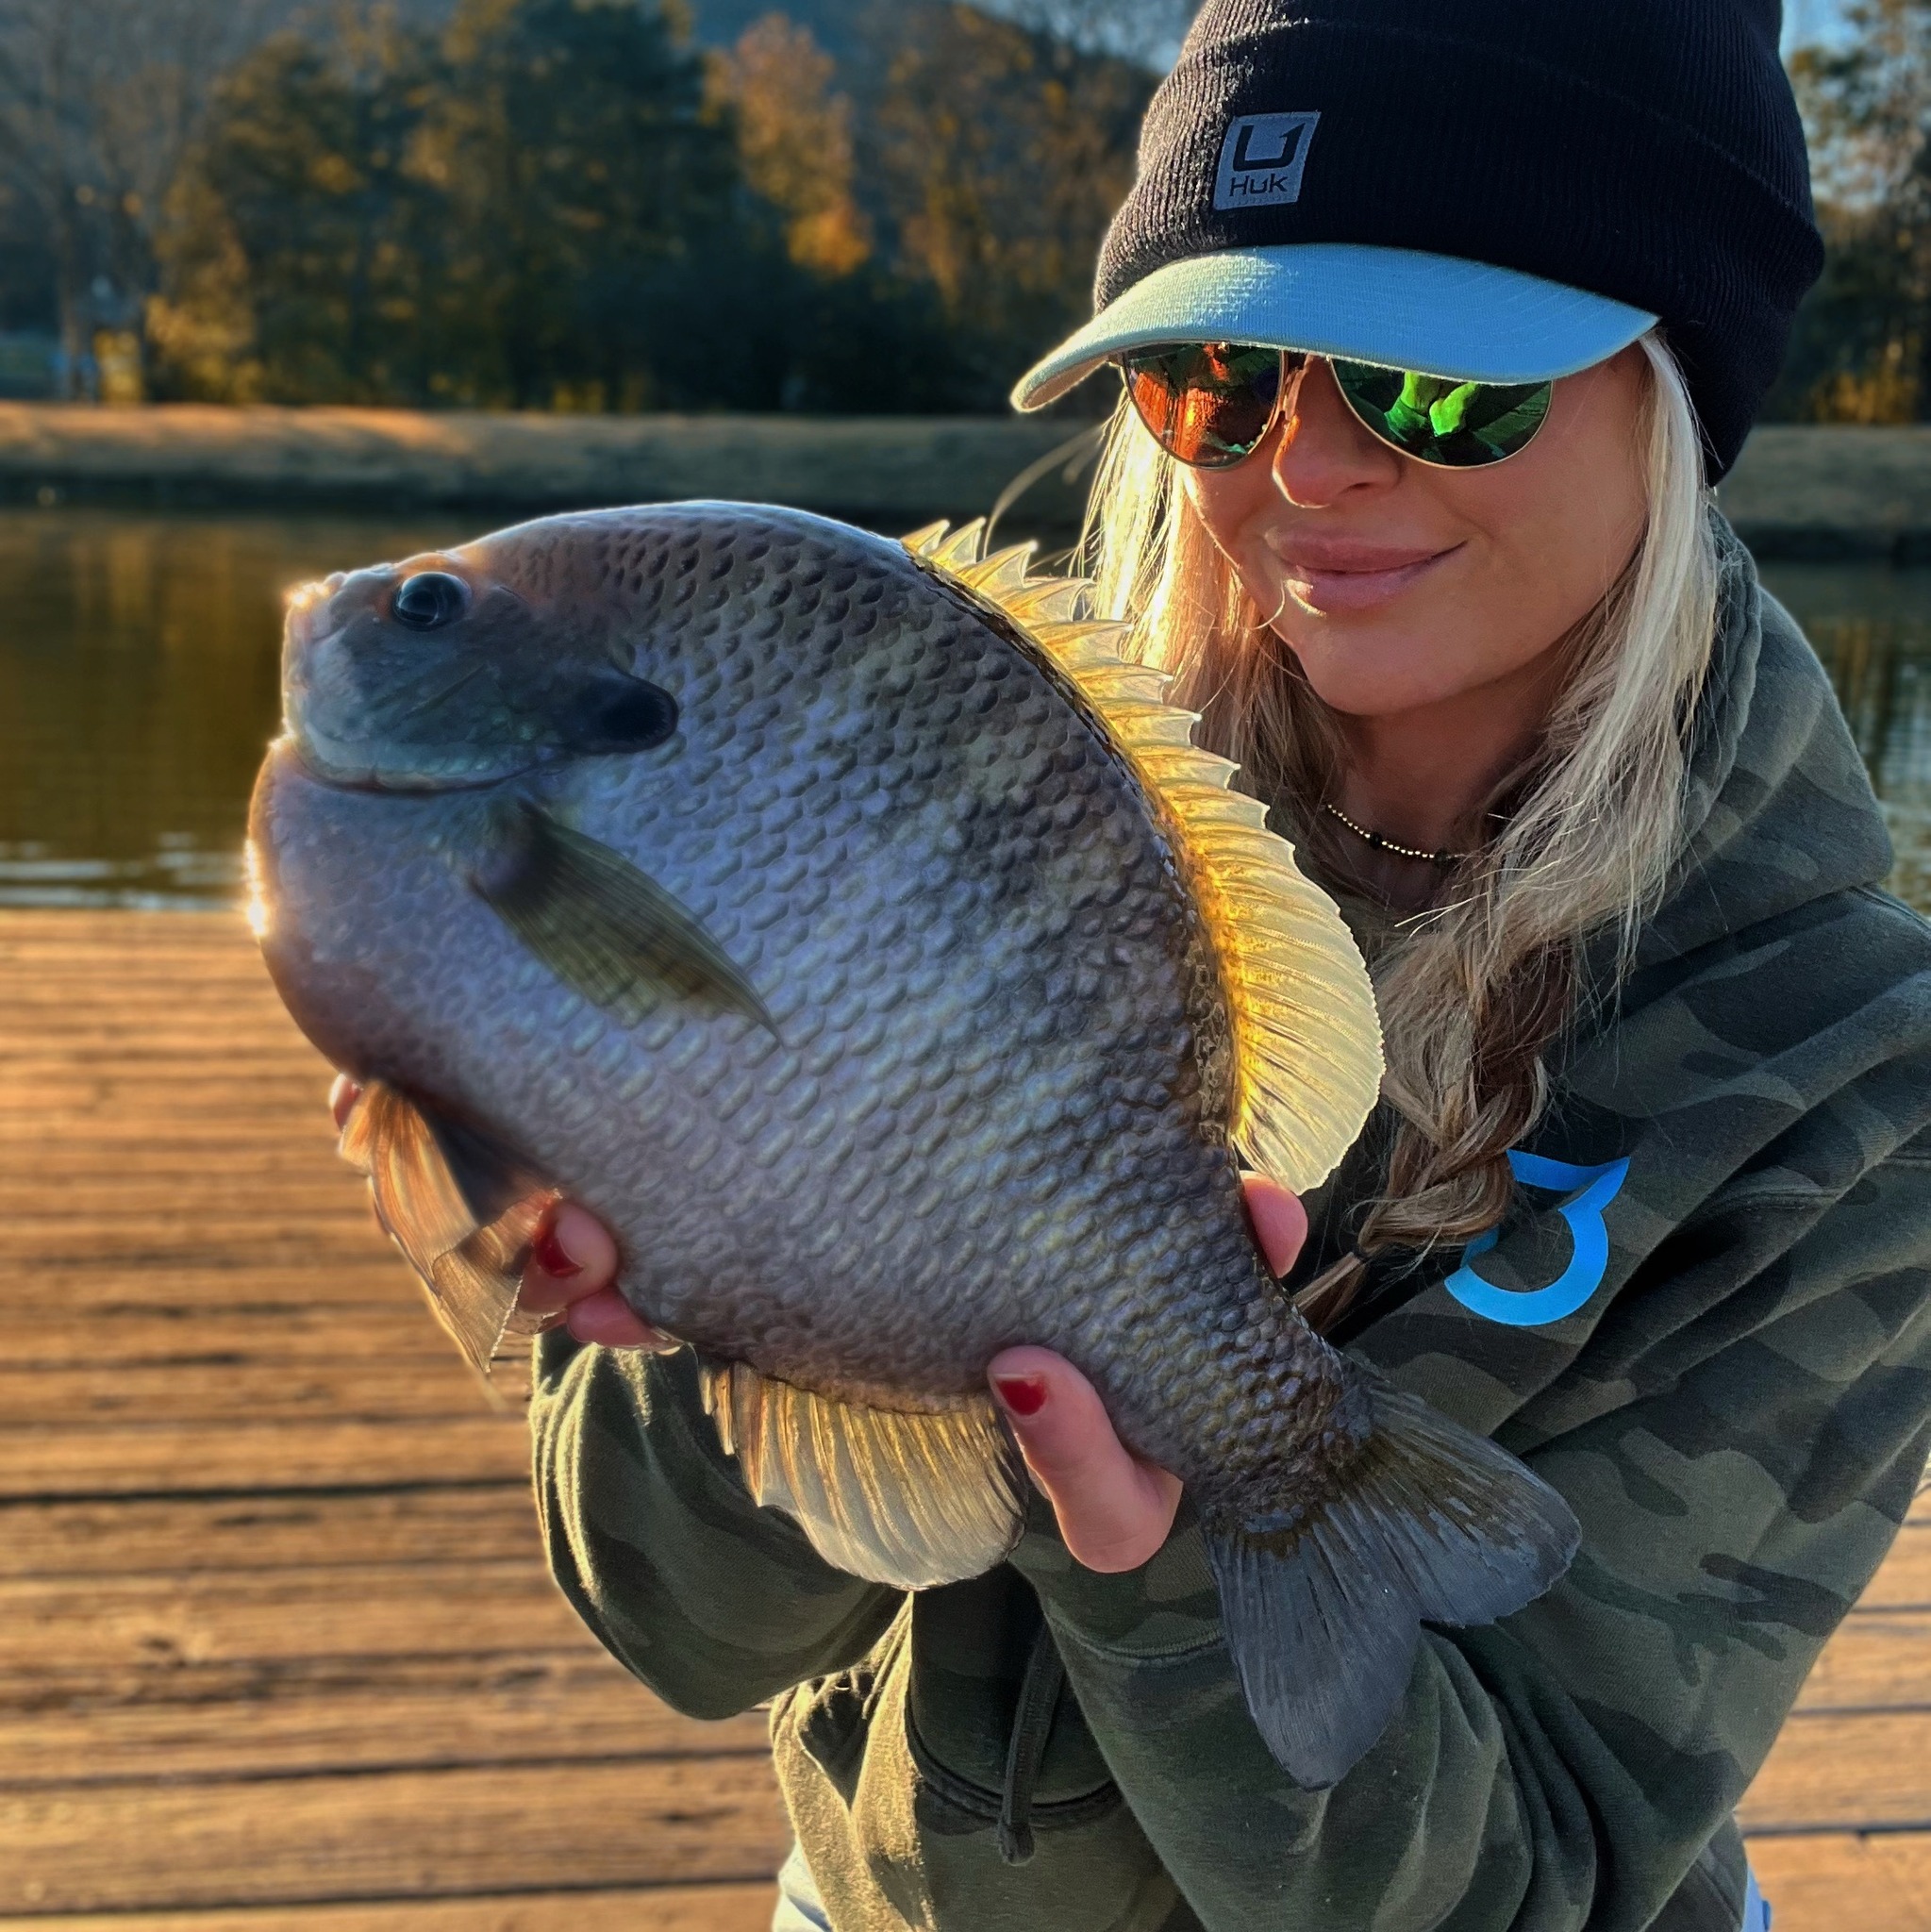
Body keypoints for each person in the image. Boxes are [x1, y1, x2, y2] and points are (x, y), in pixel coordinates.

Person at [339, 2, 1931, 1926]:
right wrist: (704, 1269)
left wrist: (1162, 1530)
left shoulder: (1852, 1078)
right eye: (1216, 377)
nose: (1311, 469)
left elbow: (1531, 1889)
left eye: (1440, 384)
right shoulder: (926, 757)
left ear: (1679, 391)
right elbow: (681, 1628)